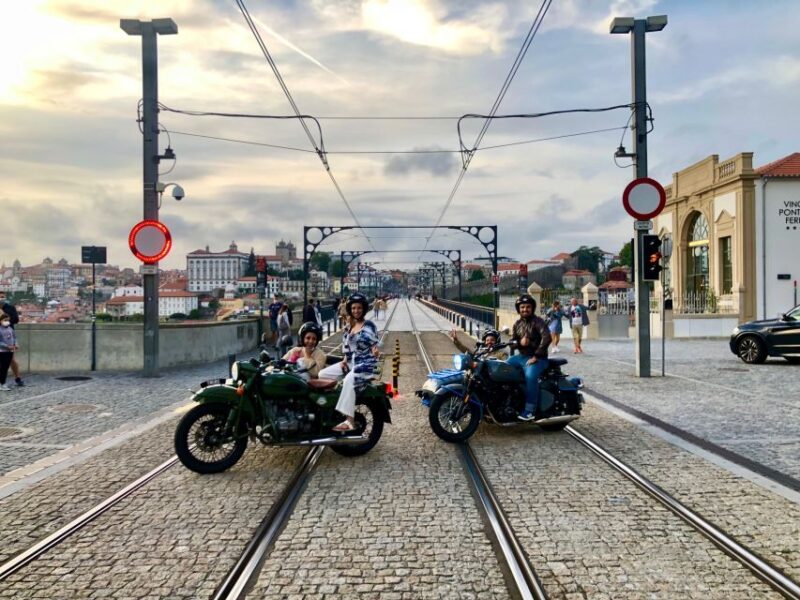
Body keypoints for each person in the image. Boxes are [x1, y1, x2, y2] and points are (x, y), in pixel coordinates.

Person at [317, 293, 380, 432]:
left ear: (363, 309)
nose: (356, 311)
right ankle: (333, 406)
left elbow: (375, 345)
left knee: (348, 381)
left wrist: (375, 351)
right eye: (353, 308)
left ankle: (349, 421)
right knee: (323, 374)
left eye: (359, 308)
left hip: (365, 364)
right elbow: (346, 347)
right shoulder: (349, 326)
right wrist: (344, 360)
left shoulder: (369, 325)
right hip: (350, 363)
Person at [507, 294, 551, 421]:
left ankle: (530, 410)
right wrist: (519, 343)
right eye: (522, 307)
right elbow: (512, 341)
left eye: (527, 307)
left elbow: (546, 337)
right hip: (521, 357)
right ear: (518, 309)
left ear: (532, 308)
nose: (525, 309)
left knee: (530, 376)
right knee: (503, 368)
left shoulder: (538, 322)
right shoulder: (517, 324)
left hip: (538, 358)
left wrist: (537, 355)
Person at [0, 292, 23, 386]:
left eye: (2, 296)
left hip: (8, 336)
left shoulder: (10, 308)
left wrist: (4, 318)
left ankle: (17, 378)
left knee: (11, 359)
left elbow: (16, 319)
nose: (1, 298)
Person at [0, 313, 18, 391]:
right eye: (5, 320)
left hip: (10, 351)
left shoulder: (10, 328)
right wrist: (7, 346)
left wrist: (16, 344)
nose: (7, 321)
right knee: (2, 368)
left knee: (6, 367)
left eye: (8, 320)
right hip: (2, 351)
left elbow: (14, 337)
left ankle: (3, 382)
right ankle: (2, 383)